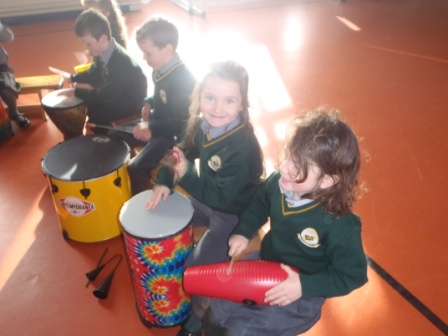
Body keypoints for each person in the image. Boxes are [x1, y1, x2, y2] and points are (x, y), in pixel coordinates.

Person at [204, 109, 369, 336]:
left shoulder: (340, 224)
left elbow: (353, 275)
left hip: (302, 289)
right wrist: (244, 231)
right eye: (288, 155)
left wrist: (304, 286)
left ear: (328, 181)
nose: (283, 167)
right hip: (266, 261)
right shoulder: (278, 184)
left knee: (238, 332)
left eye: (298, 166)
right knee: (214, 317)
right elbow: (259, 204)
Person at [145, 60, 265, 336]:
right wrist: (165, 180)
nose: (217, 108)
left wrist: (185, 175)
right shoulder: (202, 124)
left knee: (195, 271)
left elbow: (222, 199)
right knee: (160, 211)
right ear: (200, 97)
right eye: (210, 97)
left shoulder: (241, 144)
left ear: (242, 105)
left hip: (232, 213)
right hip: (206, 196)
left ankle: (192, 323)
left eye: (229, 100)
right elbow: (182, 151)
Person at [122, 16, 196, 196]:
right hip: (158, 123)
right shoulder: (161, 68)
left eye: (148, 53)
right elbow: (162, 95)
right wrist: (149, 101)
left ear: (168, 49)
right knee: (113, 134)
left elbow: (182, 122)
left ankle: (142, 203)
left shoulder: (183, 80)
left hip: (172, 136)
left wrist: (151, 127)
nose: (144, 58)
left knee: (135, 168)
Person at [49, 9, 147, 133]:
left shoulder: (120, 64)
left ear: (103, 39)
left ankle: (111, 143)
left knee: (94, 122)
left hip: (130, 101)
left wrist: (76, 92)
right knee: (87, 108)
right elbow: (94, 73)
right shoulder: (102, 51)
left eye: (88, 44)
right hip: (116, 93)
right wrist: (72, 77)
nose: (85, 48)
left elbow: (106, 96)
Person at [0, 21, 31, 129]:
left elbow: (9, 37)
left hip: (1, 67)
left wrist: (2, 30)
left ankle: (14, 113)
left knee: (5, 85)